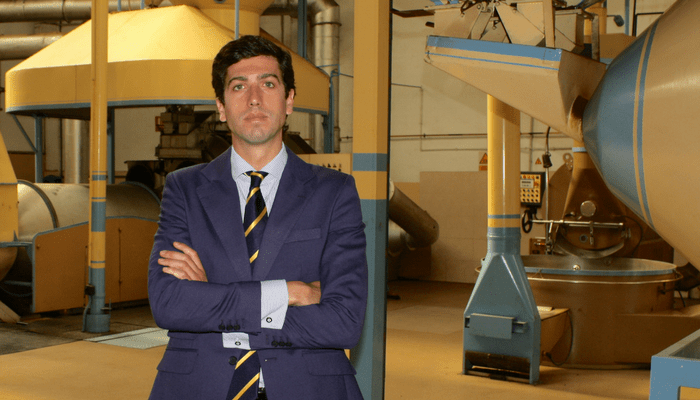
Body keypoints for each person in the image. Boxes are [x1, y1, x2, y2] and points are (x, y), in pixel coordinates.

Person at [147, 35, 368, 400]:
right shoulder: (184, 188)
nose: (253, 98)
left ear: (289, 100)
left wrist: (211, 300)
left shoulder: (334, 192)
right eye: (238, 86)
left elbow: (344, 322)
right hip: (200, 386)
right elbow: (169, 303)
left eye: (268, 84)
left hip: (307, 388)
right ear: (221, 107)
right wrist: (291, 292)